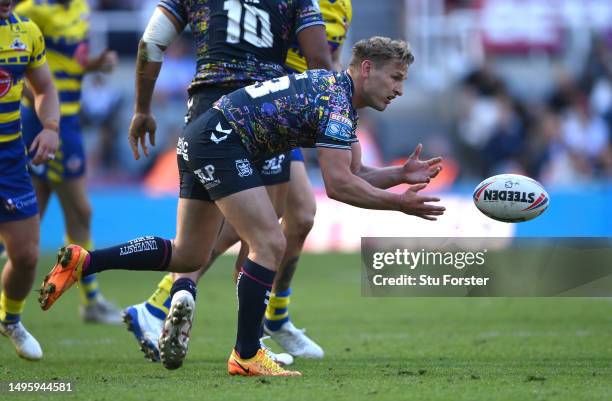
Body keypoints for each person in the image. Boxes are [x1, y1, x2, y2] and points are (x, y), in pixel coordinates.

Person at [39, 37, 445, 376]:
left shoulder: (334, 91)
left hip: (202, 136)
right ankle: (247, 354)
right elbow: (338, 186)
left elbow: (353, 171)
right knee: (270, 242)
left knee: (188, 254)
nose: (400, 89)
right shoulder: (337, 103)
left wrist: (399, 174)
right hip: (222, 143)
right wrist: (400, 206)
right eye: (396, 77)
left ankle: (84, 262)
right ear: (368, 68)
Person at [125, 0, 354, 364]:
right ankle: (241, 331)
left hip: (245, 106)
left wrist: (142, 108)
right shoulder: (301, 4)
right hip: (275, 109)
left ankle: (259, 318)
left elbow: (331, 61)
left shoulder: (341, 6)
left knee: (294, 217)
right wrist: (334, 119)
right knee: (261, 226)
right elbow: (321, 64)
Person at [14, 0, 123, 324]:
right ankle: (91, 300)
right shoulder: (32, 10)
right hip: (43, 121)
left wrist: (93, 64)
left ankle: (88, 299)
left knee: (33, 214)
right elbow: (25, 62)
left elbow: (66, 63)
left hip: (69, 119)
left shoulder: (79, 9)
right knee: (78, 211)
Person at [0, 0, 60, 360]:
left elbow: (45, 88)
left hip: (9, 159)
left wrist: (51, 127)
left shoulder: (26, 32)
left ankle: (10, 318)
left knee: (25, 255)